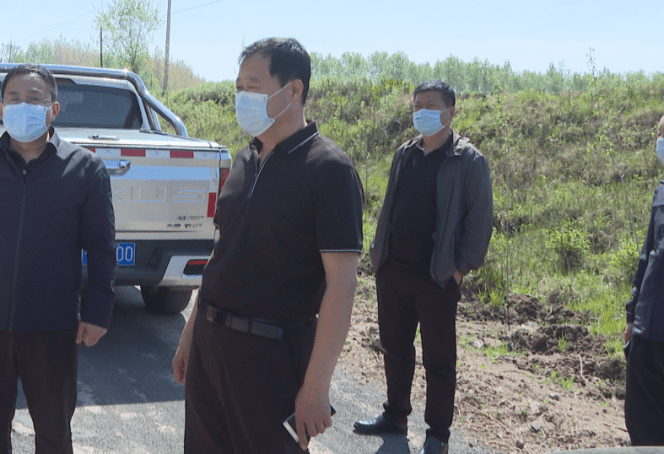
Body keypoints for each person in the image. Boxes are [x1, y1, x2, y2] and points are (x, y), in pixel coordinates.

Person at [172, 37, 364, 453]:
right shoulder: (244, 161)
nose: (242, 97)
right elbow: (223, 255)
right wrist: (191, 334)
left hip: (272, 358)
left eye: (253, 87)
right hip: (212, 347)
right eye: (238, 87)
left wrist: (316, 384)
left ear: (293, 90)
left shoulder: (329, 170)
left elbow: (342, 285)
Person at [0, 63, 116, 454]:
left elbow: (102, 247)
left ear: (54, 110)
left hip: (52, 326)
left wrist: (97, 311)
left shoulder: (84, 170)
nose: (25, 106)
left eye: (35, 99)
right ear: (1, 109)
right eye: (15, 99)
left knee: (54, 434)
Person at [353, 80, 493, 454]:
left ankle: (437, 434)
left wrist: (459, 268)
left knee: (439, 358)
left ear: (451, 111)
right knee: (395, 348)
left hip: (437, 276)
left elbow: (480, 221)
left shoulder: (468, 160)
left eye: (431, 104)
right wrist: (379, 256)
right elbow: (390, 207)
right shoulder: (404, 153)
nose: (422, 111)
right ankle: (395, 415)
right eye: (417, 105)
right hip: (393, 271)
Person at [623, 114, 664, 446]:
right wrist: (632, 314)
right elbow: (646, 255)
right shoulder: (661, 192)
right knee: (641, 417)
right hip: (648, 325)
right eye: (661, 136)